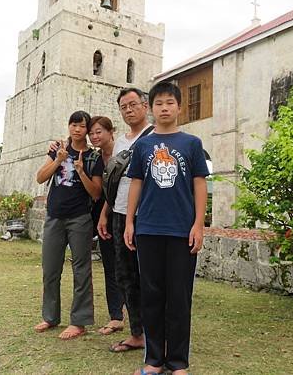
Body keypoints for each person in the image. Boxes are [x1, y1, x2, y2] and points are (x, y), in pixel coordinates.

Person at [125, 81, 209, 375]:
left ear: (179, 107)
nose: (164, 108)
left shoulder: (192, 144)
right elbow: (136, 182)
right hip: (148, 229)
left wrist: (199, 224)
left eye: (169, 103)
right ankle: (154, 360)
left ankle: (178, 362)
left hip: (181, 231)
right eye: (158, 103)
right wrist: (129, 221)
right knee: (151, 295)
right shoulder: (143, 146)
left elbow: (200, 183)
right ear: (151, 108)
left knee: (179, 297)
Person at [34, 111, 104, 340]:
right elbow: (40, 177)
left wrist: (81, 170)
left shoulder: (94, 157)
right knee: (50, 269)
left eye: (82, 126)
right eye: (74, 125)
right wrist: (58, 160)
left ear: (87, 129)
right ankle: (50, 317)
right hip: (54, 216)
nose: (77, 130)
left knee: (81, 270)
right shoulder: (58, 149)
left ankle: (79, 322)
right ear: (69, 126)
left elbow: (95, 193)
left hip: (80, 218)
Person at [97, 87, 152, 353]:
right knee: (125, 275)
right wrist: (105, 213)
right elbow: (114, 181)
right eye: (123, 107)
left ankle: (157, 334)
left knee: (149, 276)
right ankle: (137, 333)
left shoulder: (155, 136)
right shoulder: (120, 141)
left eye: (133, 104)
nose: (128, 110)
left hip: (147, 216)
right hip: (119, 213)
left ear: (145, 105)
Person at [87, 116, 125, 336]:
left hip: (120, 213)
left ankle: (136, 312)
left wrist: (104, 214)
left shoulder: (123, 154)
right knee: (110, 266)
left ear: (112, 132)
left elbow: (120, 190)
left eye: (99, 131)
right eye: (92, 133)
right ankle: (116, 316)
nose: (94, 136)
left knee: (128, 266)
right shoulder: (95, 158)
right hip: (102, 219)